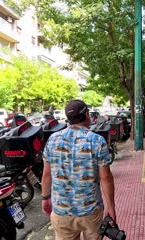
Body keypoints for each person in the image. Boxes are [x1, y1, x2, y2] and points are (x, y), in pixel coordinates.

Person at [41, 99, 116, 240]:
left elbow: (46, 175)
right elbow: (106, 178)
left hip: (62, 212)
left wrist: (45, 198)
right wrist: (111, 206)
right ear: (87, 114)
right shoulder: (97, 141)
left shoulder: (52, 140)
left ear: (68, 118)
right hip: (91, 212)